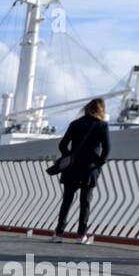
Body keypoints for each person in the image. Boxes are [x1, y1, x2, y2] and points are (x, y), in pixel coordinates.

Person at [50, 97, 110, 245]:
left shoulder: (75, 124)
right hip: (89, 169)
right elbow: (107, 148)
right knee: (85, 202)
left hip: (72, 167)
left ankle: (59, 234)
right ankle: (81, 236)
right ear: (101, 110)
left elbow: (63, 144)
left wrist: (68, 156)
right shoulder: (102, 125)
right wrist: (99, 163)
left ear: (86, 108)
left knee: (67, 201)